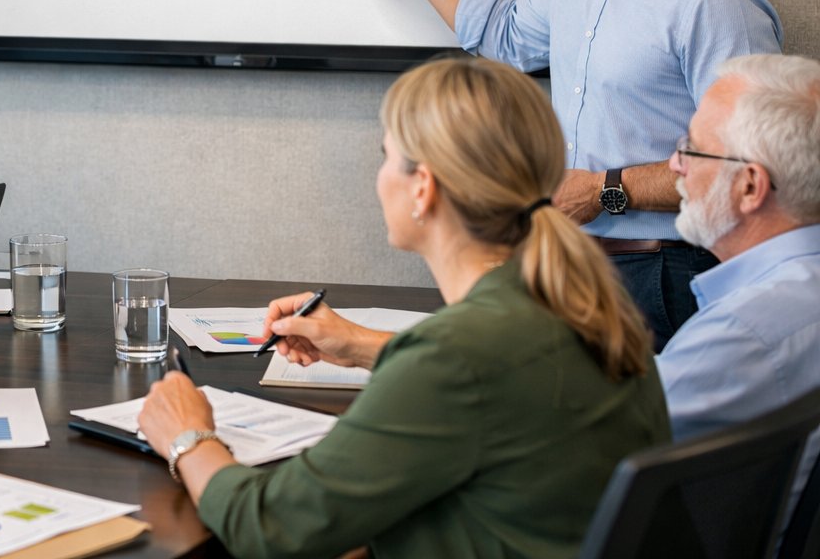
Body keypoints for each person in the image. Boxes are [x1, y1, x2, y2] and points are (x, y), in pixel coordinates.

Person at [138, 56, 669, 559]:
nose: (378, 177)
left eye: (385, 156)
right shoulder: (581, 306)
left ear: (423, 188)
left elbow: (270, 528)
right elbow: (495, 387)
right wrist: (361, 346)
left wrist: (188, 436)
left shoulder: (459, 356)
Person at [345, 0, 781, 347]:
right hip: (573, 266)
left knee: (641, 439)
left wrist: (605, 190)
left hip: (665, 278)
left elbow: (749, 170)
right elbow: (504, 35)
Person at [656, 54, 820, 496]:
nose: (675, 164)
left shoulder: (741, 333)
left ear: (749, 186)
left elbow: (576, 448)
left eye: (691, 147)